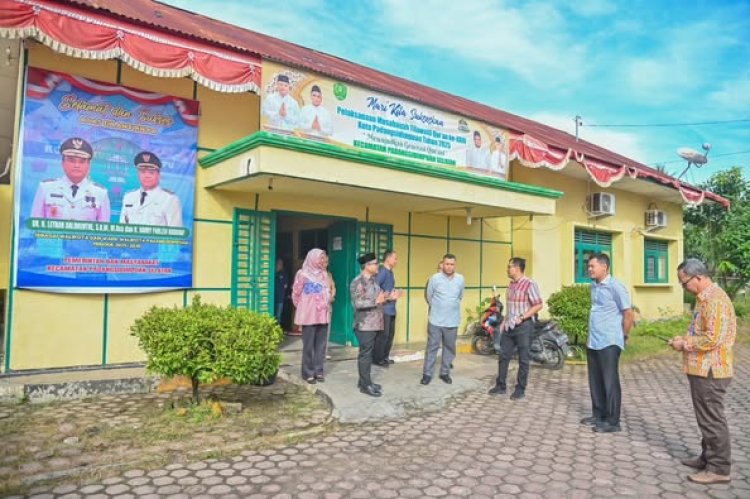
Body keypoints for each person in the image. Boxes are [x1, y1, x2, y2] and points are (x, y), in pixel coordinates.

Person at [669, 259, 736, 485]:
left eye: (684, 282)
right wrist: (684, 338)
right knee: (705, 418)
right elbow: (701, 331)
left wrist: (685, 344)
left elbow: (713, 339)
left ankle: (719, 468)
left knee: (712, 420)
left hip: (711, 371)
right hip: (701, 368)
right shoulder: (703, 300)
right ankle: (707, 457)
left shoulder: (716, 301)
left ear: (697, 277)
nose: (683, 287)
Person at [581, 253, 633, 433]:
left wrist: (623, 336)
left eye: (592, 266)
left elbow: (628, 314)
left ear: (604, 267)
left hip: (610, 340)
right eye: (588, 266)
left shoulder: (616, 287)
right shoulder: (594, 286)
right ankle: (599, 414)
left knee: (610, 381)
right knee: (595, 379)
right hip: (594, 340)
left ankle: (613, 421)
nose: (589, 269)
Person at [488, 257, 543, 400]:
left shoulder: (530, 284)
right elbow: (511, 307)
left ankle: (520, 389)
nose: (507, 269)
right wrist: (503, 323)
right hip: (509, 326)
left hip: (524, 326)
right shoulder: (511, 285)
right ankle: (501, 386)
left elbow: (538, 305)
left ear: (517, 268)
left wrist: (523, 316)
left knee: (523, 358)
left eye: (509, 267)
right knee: (503, 356)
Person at [31, 137, 110, 221]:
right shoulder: (46, 188)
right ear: (62, 163)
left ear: (89, 165)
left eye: (82, 161)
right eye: (72, 160)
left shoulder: (100, 193)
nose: (76, 165)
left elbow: (103, 232)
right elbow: (35, 225)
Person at [421, 253, 464, 385]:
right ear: (443, 264)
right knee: (432, 347)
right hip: (436, 320)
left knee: (449, 348)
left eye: (452, 264)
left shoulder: (460, 279)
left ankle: (445, 372)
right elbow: (429, 297)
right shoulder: (434, 278)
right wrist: (438, 308)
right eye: (447, 264)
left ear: (454, 265)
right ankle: (427, 374)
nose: (449, 267)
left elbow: (460, 296)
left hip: (452, 321)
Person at [291, 248, 333, 384]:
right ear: (312, 258)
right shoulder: (302, 274)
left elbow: (328, 291)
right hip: (309, 315)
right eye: (320, 258)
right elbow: (296, 294)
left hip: (322, 314)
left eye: (323, 258)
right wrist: (304, 307)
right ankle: (307, 372)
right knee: (308, 345)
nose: (322, 261)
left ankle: (318, 371)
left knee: (321, 345)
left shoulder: (324, 275)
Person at [350, 252, 387, 397]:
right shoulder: (357, 282)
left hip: (375, 322)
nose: (378, 266)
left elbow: (379, 298)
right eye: (375, 263)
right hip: (364, 324)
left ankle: (365, 381)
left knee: (368, 353)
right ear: (367, 266)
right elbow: (357, 303)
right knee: (365, 354)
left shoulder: (373, 281)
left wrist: (389, 297)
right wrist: (376, 301)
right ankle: (365, 386)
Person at [119, 151, 183, 227]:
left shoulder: (170, 199)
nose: (147, 176)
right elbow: (122, 229)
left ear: (158, 175)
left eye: (151, 172)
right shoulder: (129, 197)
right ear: (138, 174)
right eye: (143, 172)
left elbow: (175, 233)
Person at [373, 249, 403, 367]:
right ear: (388, 258)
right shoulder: (382, 272)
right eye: (395, 258)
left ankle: (385, 357)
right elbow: (375, 288)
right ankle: (377, 358)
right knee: (383, 336)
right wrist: (387, 296)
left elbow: (389, 288)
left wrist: (395, 293)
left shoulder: (391, 272)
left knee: (390, 334)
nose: (396, 261)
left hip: (392, 308)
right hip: (383, 309)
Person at [274, 258, 289, 326]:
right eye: (277, 263)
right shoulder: (272, 273)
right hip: (272, 297)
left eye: (280, 264)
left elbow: (285, 286)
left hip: (280, 298)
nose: (279, 265)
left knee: (278, 316)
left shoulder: (284, 274)